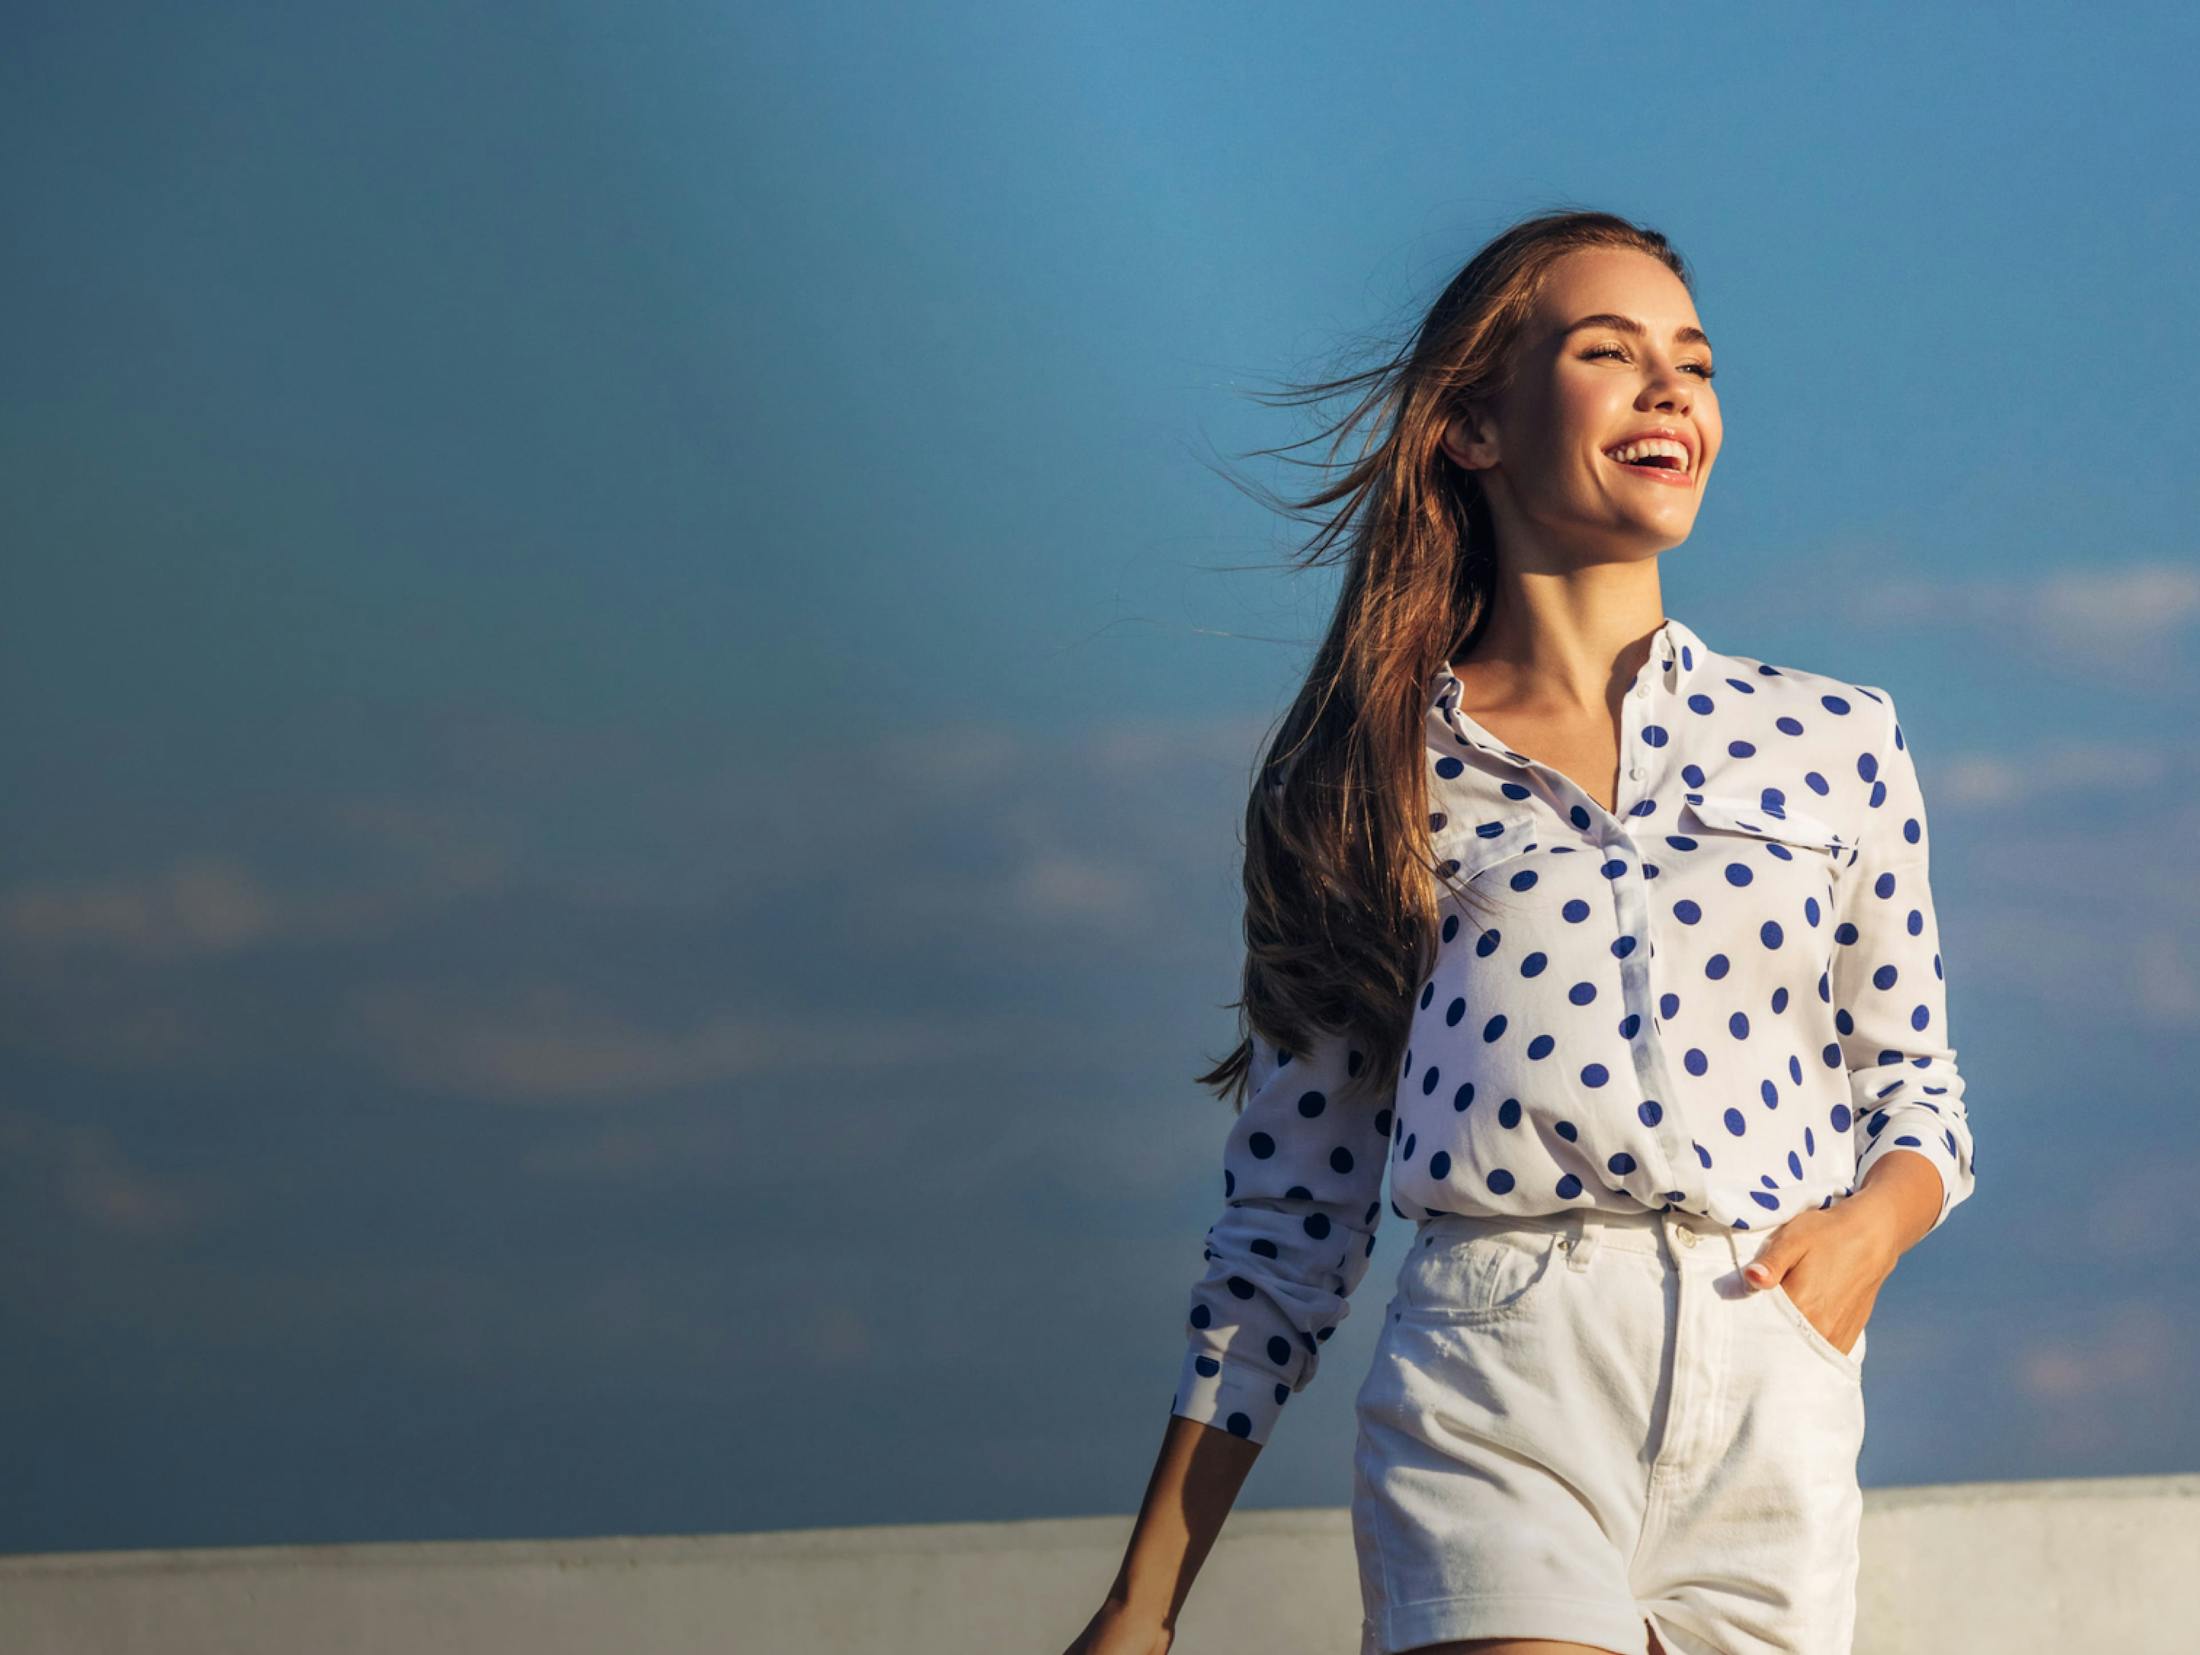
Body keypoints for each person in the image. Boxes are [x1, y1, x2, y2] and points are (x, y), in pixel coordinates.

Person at [1064, 210, 1977, 1655]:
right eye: (1609, 352)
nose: (1670, 387)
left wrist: (1870, 1232)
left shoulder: (1838, 738)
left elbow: (1919, 1092)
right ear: (1475, 425)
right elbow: (1291, 1224)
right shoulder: (1361, 779)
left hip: (1777, 1390)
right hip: (1501, 1370)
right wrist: (1142, 1604)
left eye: (1694, 359)